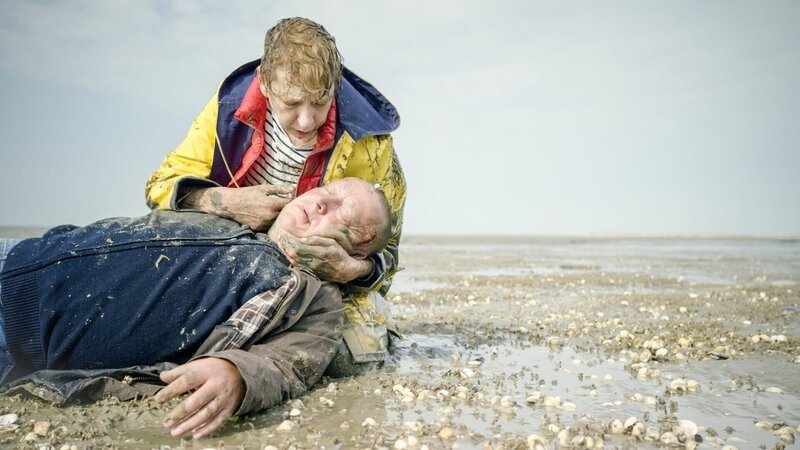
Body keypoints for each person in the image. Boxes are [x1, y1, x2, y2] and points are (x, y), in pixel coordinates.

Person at [0, 178, 391, 439]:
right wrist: (215, 198)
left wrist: (237, 373)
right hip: (17, 255)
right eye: (330, 190)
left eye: (345, 214)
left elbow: (285, 366)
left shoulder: (315, 300)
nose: (324, 201)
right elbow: (164, 187)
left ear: (354, 251)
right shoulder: (241, 207)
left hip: (22, 343)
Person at [145, 17, 406, 369]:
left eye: (320, 102)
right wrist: (223, 201)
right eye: (292, 104)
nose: (306, 121)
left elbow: (387, 249)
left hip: (321, 284)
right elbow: (159, 186)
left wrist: (353, 270)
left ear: (336, 86)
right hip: (232, 263)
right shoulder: (227, 110)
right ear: (265, 84)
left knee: (355, 355)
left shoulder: (369, 141)